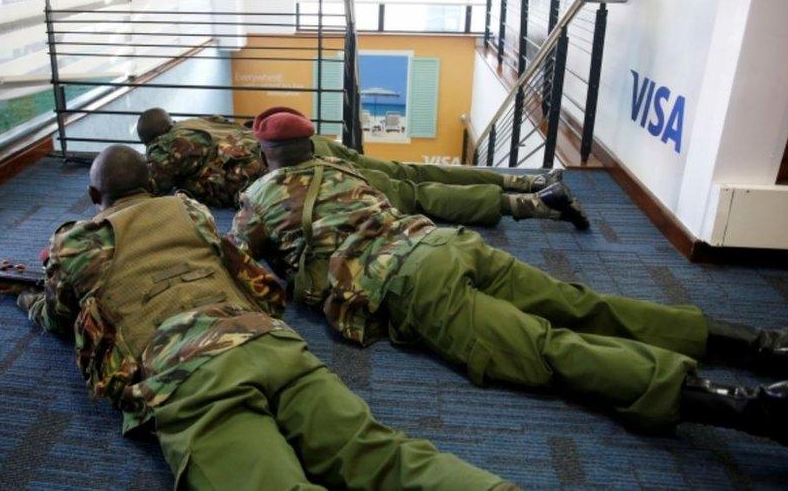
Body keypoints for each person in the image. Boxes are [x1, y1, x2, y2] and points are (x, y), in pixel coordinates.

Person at [229, 109, 788, 444]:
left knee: (545, 350)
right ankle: (761, 344)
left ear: (266, 151)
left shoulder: (257, 197)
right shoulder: (343, 166)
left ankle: (745, 406)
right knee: (581, 303)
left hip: (413, 285)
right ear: (310, 143)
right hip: (445, 244)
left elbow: (245, 263)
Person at [9, 145, 514, 490]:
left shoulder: (76, 241)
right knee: (379, 453)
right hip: (270, 342)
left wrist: (22, 298)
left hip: (190, 373)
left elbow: (60, 317)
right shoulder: (191, 211)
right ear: (151, 182)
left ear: (96, 198)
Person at [137, 107, 589, 228]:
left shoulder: (164, 149)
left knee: (415, 197)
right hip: (315, 147)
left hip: (300, 171)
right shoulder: (199, 122)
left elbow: (144, 187)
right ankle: (527, 177)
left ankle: (532, 204)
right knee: (411, 172)